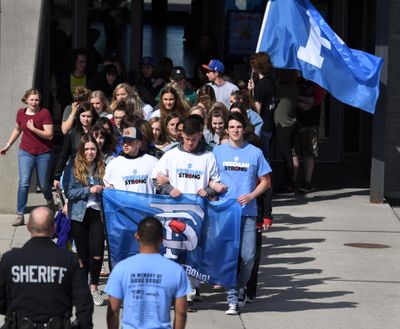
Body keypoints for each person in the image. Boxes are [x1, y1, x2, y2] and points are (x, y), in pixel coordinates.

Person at [213, 112, 271, 315]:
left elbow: (266, 181)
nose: (235, 130)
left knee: (249, 257)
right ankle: (232, 298)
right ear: (226, 130)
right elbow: (209, 177)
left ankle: (239, 286)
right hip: (225, 213)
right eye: (232, 127)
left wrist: (251, 195)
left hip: (248, 212)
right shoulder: (217, 151)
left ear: (244, 128)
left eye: (238, 127)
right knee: (229, 256)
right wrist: (214, 184)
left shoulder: (255, 152)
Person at [0, 206, 93, 329]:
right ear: (54, 227)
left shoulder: (10, 260)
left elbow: (1, 301)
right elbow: (84, 305)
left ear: (28, 227)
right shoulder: (69, 260)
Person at [105, 217, 191, 329]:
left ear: (137, 236)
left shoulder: (121, 268)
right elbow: (181, 313)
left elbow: (113, 311)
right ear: (162, 239)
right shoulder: (176, 270)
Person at [0, 89, 55, 226]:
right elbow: (18, 129)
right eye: (31, 99)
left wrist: (33, 128)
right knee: (23, 182)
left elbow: (49, 135)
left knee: (44, 185)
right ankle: (20, 214)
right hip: (26, 152)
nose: (34, 102)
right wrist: (7, 145)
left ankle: (50, 201)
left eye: (36, 100)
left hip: (43, 153)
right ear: (26, 99)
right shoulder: (21, 112)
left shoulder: (44, 113)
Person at [62, 134, 105, 306]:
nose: (89, 152)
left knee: (97, 253)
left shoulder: (102, 166)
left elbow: (109, 185)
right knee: (83, 255)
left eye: (92, 149)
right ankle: (82, 286)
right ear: (81, 150)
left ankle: (94, 287)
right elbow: (70, 192)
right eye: (86, 149)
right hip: (79, 215)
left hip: (97, 214)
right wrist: (89, 189)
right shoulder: (73, 167)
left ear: (97, 150)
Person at [104, 120, 158, 192]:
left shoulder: (153, 162)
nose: (126, 144)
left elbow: (161, 186)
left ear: (139, 143)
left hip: (146, 203)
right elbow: (107, 188)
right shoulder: (113, 164)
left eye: (130, 141)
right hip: (123, 203)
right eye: (124, 141)